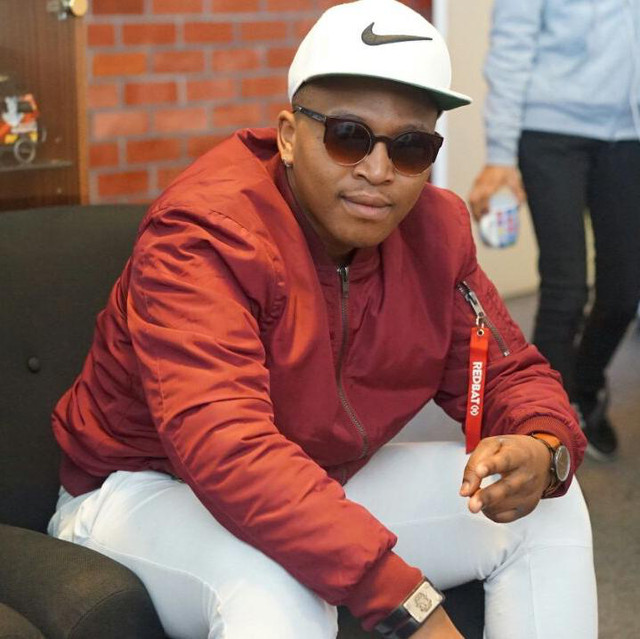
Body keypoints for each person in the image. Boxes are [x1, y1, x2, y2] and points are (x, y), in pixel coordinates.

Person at [48, 1, 597, 637]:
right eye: (348, 136)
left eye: (411, 147)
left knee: (543, 506)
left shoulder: (436, 232)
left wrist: (544, 448)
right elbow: (228, 449)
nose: (377, 171)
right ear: (288, 135)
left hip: (315, 479)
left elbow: (508, 373)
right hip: (145, 491)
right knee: (281, 584)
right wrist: (409, 605)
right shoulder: (204, 237)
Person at [469, 0, 640, 461]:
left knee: (624, 292)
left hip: (629, 135)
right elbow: (511, 49)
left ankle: (584, 388)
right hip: (550, 132)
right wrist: (500, 155)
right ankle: (544, 424)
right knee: (566, 290)